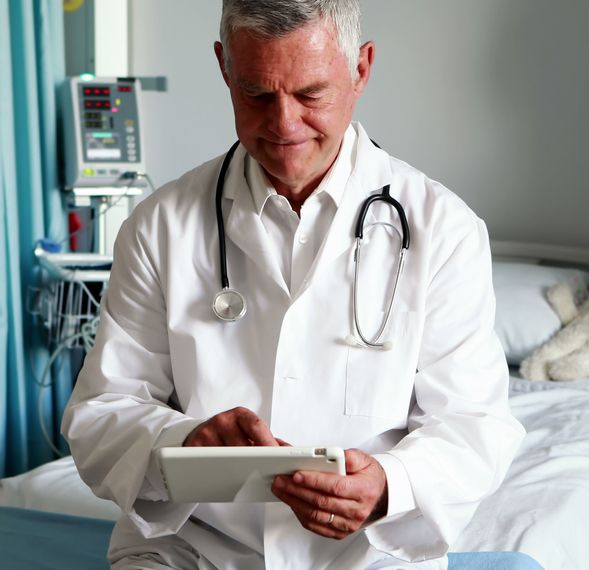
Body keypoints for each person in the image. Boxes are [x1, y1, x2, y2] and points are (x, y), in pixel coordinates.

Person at [61, 1, 525, 568]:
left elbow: (475, 424)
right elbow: (101, 412)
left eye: (310, 95)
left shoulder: (444, 230)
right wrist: (183, 444)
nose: (283, 125)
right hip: (192, 551)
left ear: (361, 69)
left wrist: (390, 483)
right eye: (256, 93)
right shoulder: (160, 227)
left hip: (365, 558)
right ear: (224, 68)